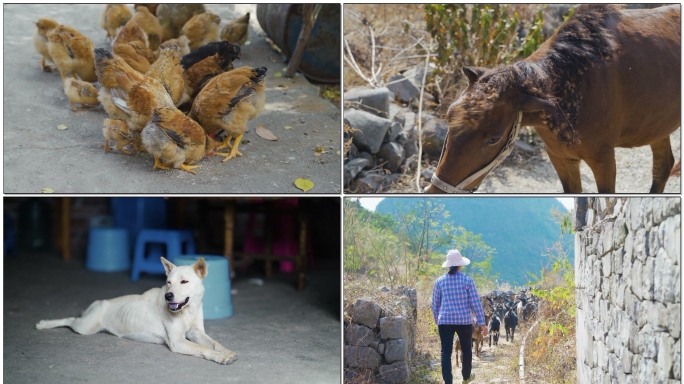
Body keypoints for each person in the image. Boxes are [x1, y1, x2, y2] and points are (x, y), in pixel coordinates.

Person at [432, 249, 488, 384]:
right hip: (464, 321)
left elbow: (435, 304)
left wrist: (437, 320)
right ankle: (466, 377)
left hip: (444, 321)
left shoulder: (440, 282)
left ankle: (448, 381)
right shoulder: (467, 281)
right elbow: (475, 303)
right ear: (459, 265)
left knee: (446, 352)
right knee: (467, 349)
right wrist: (482, 323)